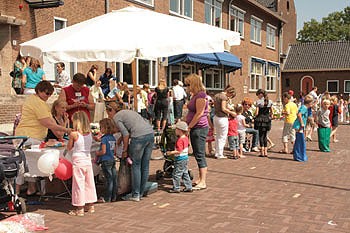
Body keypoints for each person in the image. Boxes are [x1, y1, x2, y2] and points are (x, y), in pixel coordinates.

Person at [15, 81, 71, 195]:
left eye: (50, 94)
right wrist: (66, 130)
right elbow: (48, 123)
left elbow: (51, 123)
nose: (48, 96)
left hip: (32, 136)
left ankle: (31, 189)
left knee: (29, 164)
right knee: (22, 165)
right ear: (39, 91)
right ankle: (16, 193)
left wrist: (63, 127)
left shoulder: (37, 101)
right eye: (46, 93)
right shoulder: (37, 103)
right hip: (28, 136)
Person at [107, 102, 154, 202]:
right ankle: (141, 192)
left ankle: (136, 194)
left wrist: (124, 150)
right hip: (150, 133)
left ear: (111, 111)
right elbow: (130, 128)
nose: (108, 116)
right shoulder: (127, 112)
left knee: (136, 164)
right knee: (145, 165)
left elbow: (126, 134)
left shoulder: (116, 117)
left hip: (138, 137)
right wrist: (121, 137)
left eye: (108, 113)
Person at [67, 111, 97, 216]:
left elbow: (69, 147)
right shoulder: (90, 134)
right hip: (87, 160)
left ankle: (79, 208)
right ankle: (91, 205)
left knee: (78, 184)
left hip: (78, 161)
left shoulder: (74, 134)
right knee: (89, 183)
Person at [185, 74, 209, 190]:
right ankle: (200, 178)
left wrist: (189, 126)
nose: (187, 87)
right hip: (195, 127)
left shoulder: (201, 95)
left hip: (199, 128)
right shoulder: (195, 95)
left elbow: (199, 113)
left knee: (200, 153)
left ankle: (203, 180)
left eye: (188, 84)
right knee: (196, 152)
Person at [95, 118, 117, 203]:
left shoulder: (104, 138)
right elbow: (114, 150)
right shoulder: (112, 138)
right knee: (114, 178)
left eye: (101, 127)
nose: (100, 129)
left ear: (105, 128)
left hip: (105, 160)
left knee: (108, 180)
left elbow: (103, 151)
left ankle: (107, 197)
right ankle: (113, 196)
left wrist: (97, 153)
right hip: (112, 159)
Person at [167, 121, 192, 193]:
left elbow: (179, 151)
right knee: (185, 172)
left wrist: (170, 153)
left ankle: (176, 188)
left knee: (176, 174)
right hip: (185, 158)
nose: (175, 131)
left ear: (180, 130)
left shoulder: (179, 140)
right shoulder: (186, 138)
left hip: (180, 159)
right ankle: (188, 186)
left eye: (176, 129)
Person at [213, 85, 236, 159]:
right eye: (231, 95)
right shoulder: (224, 97)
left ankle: (217, 152)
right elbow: (223, 108)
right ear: (229, 92)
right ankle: (220, 154)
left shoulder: (217, 95)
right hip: (222, 118)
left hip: (216, 117)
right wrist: (231, 112)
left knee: (218, 136)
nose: (230, 97)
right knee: (222, 136)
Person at [292, 95, 313, 162]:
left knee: (299, 139)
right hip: (299, 125)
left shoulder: (305, 108)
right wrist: (302, 123)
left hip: (299, 125)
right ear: (309, 103)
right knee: (300, 139)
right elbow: (299, 114)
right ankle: (299, 155)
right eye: (311, 103)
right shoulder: (304, 107)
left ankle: (298, 154)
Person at [254, 89, 273, 157]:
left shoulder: (258, 102)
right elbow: (272, 112)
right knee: (265, 135)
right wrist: (270, 117)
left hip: (260, 119)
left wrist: (254, 116)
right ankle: (265, 152)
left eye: (258, 95)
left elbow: (256, 113)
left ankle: (262, 152)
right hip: (267, 120)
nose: (258, 97)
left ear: (260, 94)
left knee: (260, 135)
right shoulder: (270, 101)